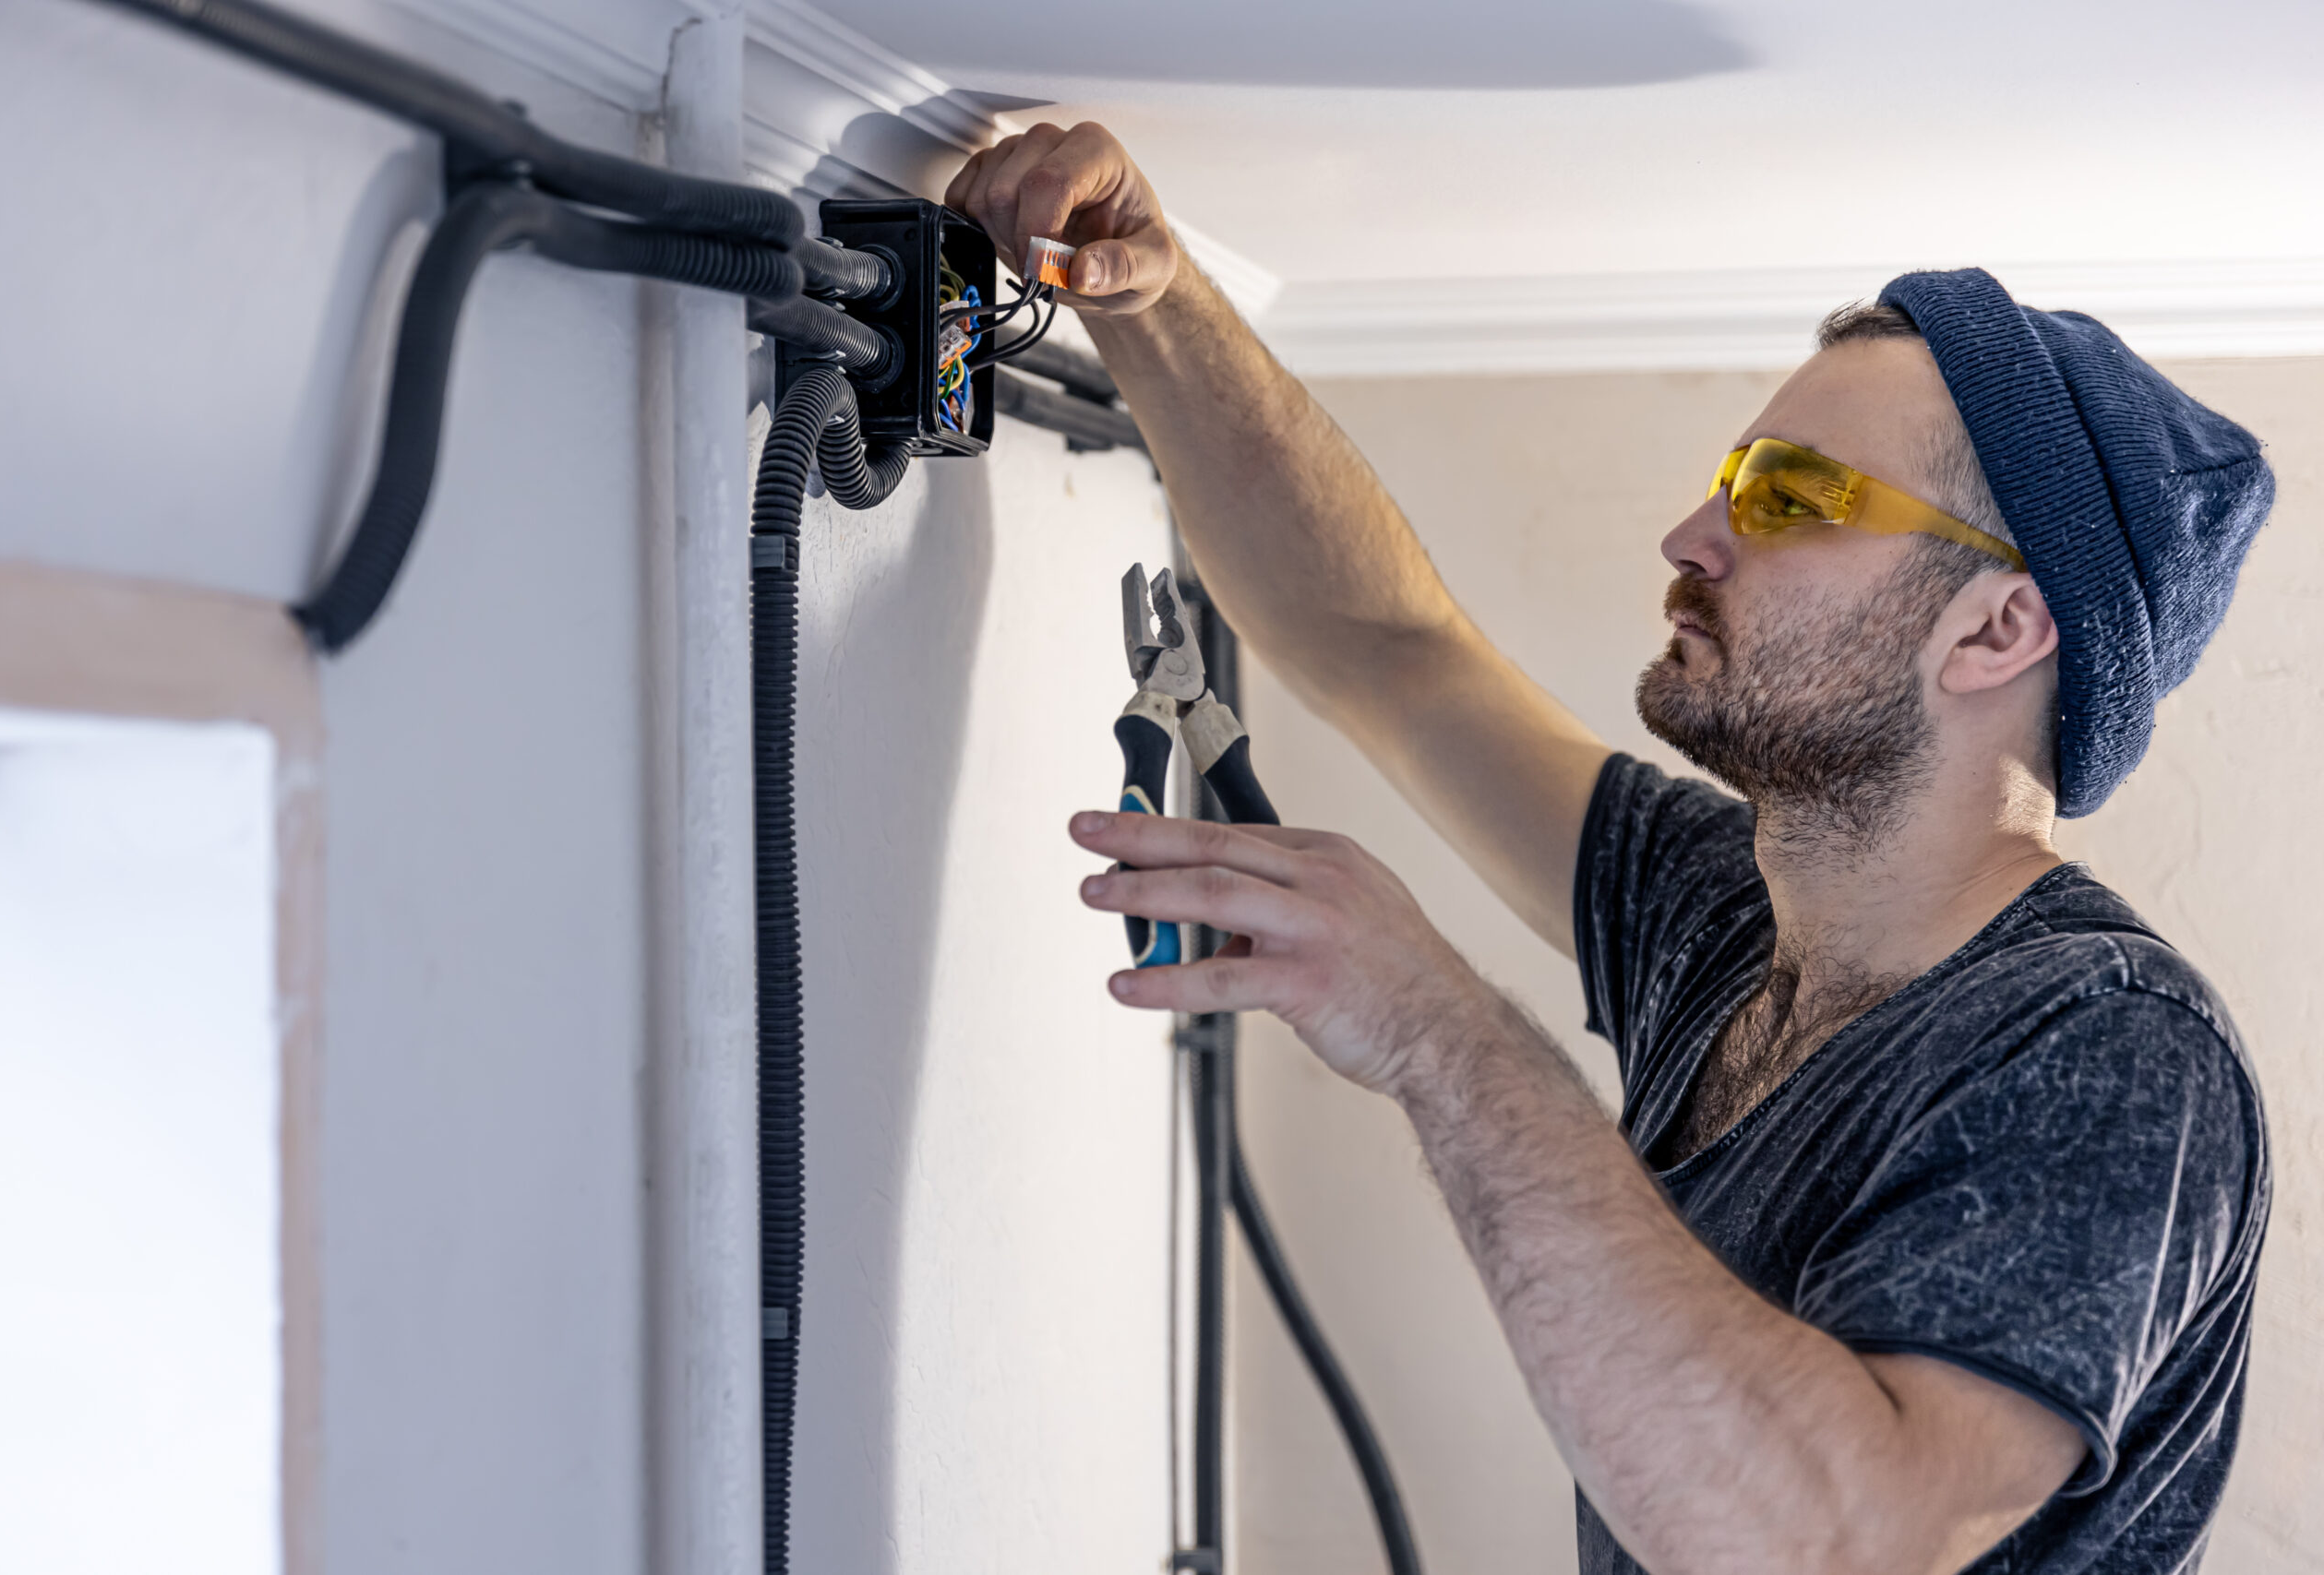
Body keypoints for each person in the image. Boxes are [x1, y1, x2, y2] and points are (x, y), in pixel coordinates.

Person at [948, 124, 2277, 1575]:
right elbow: (1394, 653)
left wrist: (1440, 1029)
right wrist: (1161, 299)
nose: (1693, 534)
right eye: (1734, 478)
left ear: (1997, 629)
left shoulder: (2108, 1048)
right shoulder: (1722, 924)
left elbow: (1824, 1540)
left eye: (1793, 498)